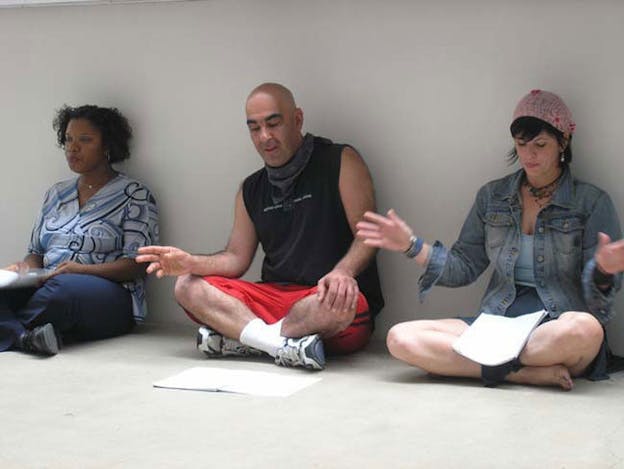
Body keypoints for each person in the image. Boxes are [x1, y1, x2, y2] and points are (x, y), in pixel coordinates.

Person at [357, 89, 624, 389]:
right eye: (521, 144)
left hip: (555, 325)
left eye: (540, 144)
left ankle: (481, 365)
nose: (529, 155)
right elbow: (464, 266)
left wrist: (603, 270)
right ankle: (521, 372)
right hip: (498, 322)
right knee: (400, 338)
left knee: (586, 331)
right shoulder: (492, 197)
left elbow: (598, 299)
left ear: (563, 141)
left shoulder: (591, 202)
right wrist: (412, 245)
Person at [137, 82, 383, 370]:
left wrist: (343, 272)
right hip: (272, 299)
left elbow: (370, 234)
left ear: (297, 119)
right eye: (254, 128)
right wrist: (189, 262)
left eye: (273, 123)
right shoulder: (251, 188)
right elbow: (236, 258)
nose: (265, 136)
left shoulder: (340, 160)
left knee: (342, 302)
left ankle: (248, 338)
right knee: (186, 286)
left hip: (323, 300)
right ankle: (277, 344)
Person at [0, 105, 159, 356]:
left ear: (108, 146)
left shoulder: (135, 194)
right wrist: (21, 272)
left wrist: (82, 270)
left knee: (62, 291)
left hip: (108, 296)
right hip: (46, 285)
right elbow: (36, 253)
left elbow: (138, 265)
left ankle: (11, 330)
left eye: (85, 140)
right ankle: (25, 338)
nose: (73, 147)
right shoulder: (56, 194)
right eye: (69, 139)